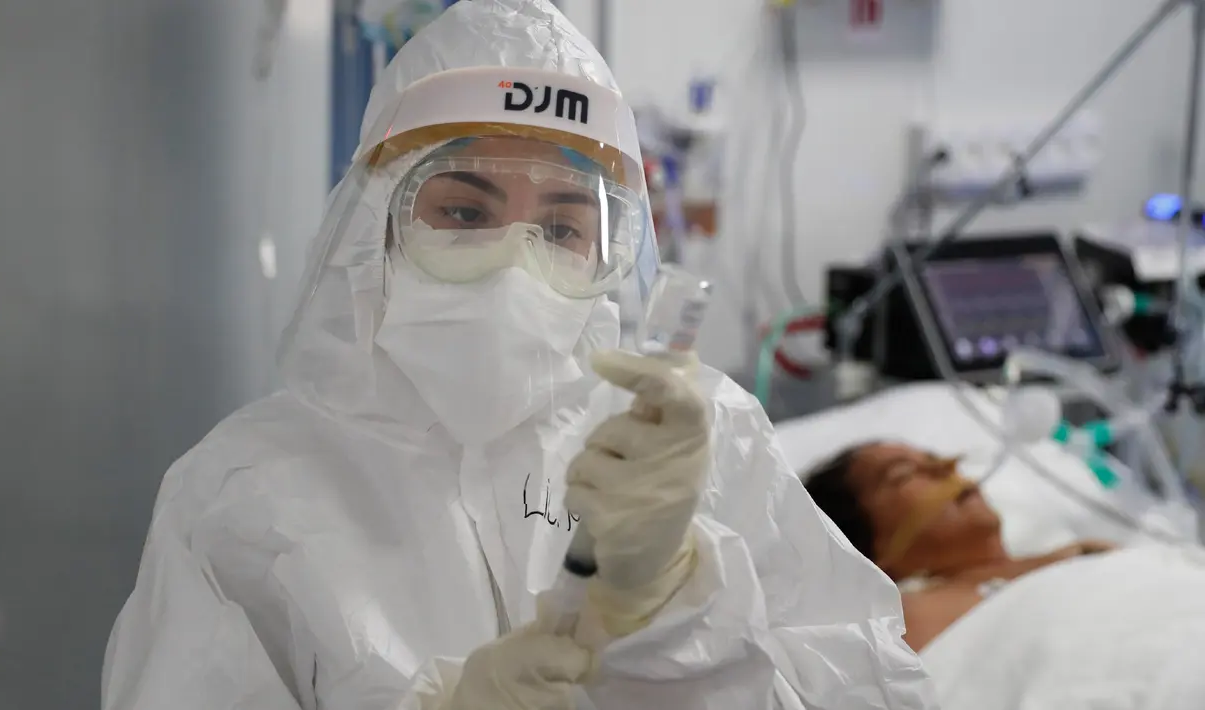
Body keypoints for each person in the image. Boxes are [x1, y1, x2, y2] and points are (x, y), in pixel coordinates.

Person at [101, 2, 936, 709]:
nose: (514, 260)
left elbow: (875, 689)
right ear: (376, 225)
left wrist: (678, 607)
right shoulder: (242, 488)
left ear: (611, 253)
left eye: (565, 226)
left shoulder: (700, 437)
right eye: (465, 212)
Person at [803, 441, 1119, 652]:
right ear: (869, 551)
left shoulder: (1079, 553)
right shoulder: (898, 622)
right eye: (903, 474)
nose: (947, 467)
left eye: (935, 459)